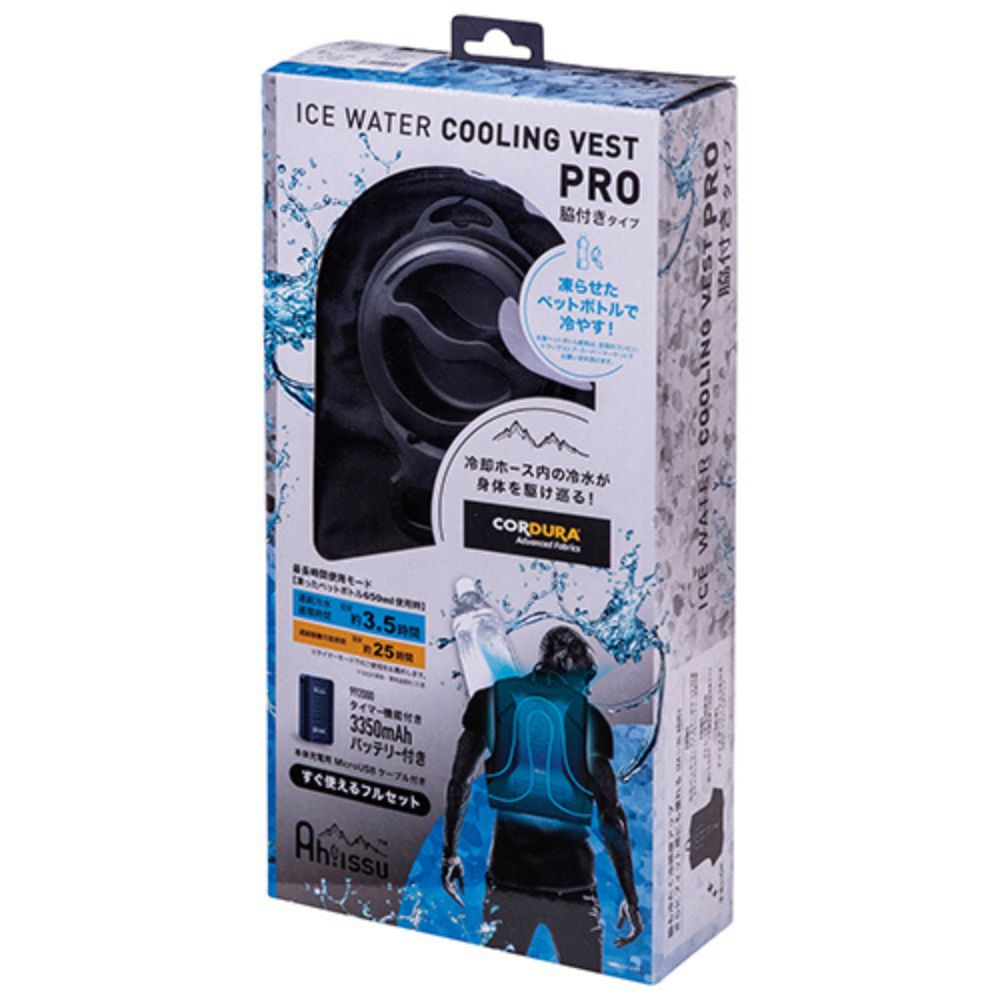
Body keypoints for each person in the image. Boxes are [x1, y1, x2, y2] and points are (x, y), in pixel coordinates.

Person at [441, 625, 642, 972]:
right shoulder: (589, 720)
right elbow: (611, 817)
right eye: (586, 676)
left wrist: (450, 853)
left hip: (508, 883)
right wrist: (631, 896)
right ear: (566, 663)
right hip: (574, 887)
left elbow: (459, 783)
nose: (588, 687)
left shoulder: (491, 701)